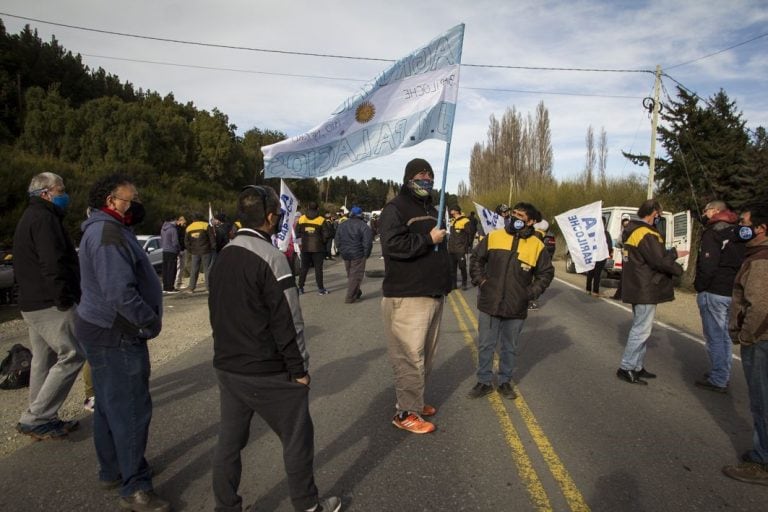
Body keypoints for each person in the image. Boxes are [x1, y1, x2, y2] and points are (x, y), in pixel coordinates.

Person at [209, 185, 341, 512]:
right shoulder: (272, 258)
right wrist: (300, 371)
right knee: (297, 438)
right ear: (270, 218)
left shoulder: (223, 256)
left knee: (229, 443)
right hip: (267, 369)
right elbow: (289, 322)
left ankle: (226, 506)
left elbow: (216, 312)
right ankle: (308, 506)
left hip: (228, 367)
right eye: (278, 216)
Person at [74, 173, 169, 511]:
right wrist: (148, 320)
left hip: (101, 330)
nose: (137, 203)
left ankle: (112, 468)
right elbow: (119, 292)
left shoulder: (107, 229)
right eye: (132, 198)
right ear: (112, 201)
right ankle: (135, 485)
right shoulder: (108, 233)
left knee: (108, 404)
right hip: (116, 333)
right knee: (130, 409)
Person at [379, 158, 451, 434]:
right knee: (409, 357)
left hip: (433, 294)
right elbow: (393, 245)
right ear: (409, 177)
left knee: (426, 356)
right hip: (407, 295)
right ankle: (405, 412)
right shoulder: (395, 208)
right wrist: (427, 240)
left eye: (430, 174)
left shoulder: (434, 209)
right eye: (421, 174)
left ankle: (415, 401)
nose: (426, 178)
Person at [13, 172, 85, 440]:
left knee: (44, 359)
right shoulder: (45, 220)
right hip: (49, 303)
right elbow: (53, 263)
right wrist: (64, 298)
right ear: (45, 193)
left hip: (32, 302)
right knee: (73, 354)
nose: (64, 194)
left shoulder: (30, 217)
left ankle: (40, 413)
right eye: (60, 190)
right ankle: (37, 417)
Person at [467, 202, 554, 399]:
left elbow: (546, 273)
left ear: (531, 221)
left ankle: (505, 382)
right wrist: (481, 281)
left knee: (510, 347)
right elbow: (476, 260)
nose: (515, 218)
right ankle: (484, 382)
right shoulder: (494, 236)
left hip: (516, 305)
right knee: (486, 345)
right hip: (490, 302)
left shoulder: (537, 245)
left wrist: (530, 293)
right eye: (513, 214)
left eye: (521, 216)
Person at [722, 202, 768, 486]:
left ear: (761, 228)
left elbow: (760, 306)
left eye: (745, 223)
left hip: (762, 339)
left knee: (762, 402)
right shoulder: (756, 255)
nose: (741, 227)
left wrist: (747, 336)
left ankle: (763, 461)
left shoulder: (761, 259)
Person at [616, 199, 683, 385]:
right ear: (653, 212)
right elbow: (659, 261)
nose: (659, 217)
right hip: (645, 286)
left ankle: (637, 366)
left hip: (637, 284)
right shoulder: (645, 233)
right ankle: (627, 367)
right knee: (641, 330)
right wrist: (675, 260)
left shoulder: (632, 230)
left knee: (642, 328)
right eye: (658, 214)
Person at [693, 200, 745, 393]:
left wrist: (700, 287)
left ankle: (718, 378)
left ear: (715, 211)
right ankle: (722, 372)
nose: (704, 214)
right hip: (731, 290)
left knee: (715, 335)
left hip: (714, 290)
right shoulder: (737, 232)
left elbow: (708, 265)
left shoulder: (713, 232)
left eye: (706, 211)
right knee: (724, 336)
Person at [334, 206, 373, 304]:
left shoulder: (342, 224)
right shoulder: (363, 226)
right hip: (358, 253)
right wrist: (366, 254)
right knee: (355, 275)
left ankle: (356, 292)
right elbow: (367, 242)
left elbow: (337, 239)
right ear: (361, 214)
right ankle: (350, 297)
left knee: (350, 274)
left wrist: (341, 250)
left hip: (346, 253)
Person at [296, 202, 331, 295]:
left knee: (304, 268)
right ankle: (321, 289)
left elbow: (297, 233)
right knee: (318, 269)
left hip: (305, 247)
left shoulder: (301, 218)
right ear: (318, 208)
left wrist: (302, 242)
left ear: (307, 207)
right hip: (318, 248)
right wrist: (322, 242)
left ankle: (300, 288)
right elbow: (327, 234)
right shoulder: (321, 219)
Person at [185, 213, 216, 293]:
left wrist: (191, 250)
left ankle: (191, 288)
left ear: (193, 219)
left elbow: (186, 242)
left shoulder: (189, 228)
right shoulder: (205, 225)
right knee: (207, 269)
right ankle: (208, 288)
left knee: (194, 269)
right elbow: (211, 237)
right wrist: (213, 247)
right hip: (206, 250)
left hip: (194, 252)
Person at [585, 216, 613, 297]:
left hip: (601, 257)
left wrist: (607, 253)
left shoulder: (606, 234)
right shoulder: (594, 232)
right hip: (593, 256)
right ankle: (590, 289)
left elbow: (609, 246)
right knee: (591, 273)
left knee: (596, 274)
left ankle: (593, 290)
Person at [447, 205, 471, 290]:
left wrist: (467, 248)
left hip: (460, 249)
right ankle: (454, 285)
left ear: (456, 211)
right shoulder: (452, 221)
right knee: (452, 268)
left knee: (462, 267)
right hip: (451, 249)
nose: (450, 211)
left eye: (452, 210)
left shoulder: (465, 221)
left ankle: (464, 283)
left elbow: (469, 235)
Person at [160, 215, 181, 294]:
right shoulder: (173, 229)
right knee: (172, 269)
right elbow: (175, 242)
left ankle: (165, 287)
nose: (177, 223)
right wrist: (178, 250)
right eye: (176, 221)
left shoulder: (163, 229)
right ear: (173, 220)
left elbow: (161, 239)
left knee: (165, 269)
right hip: (172, 251)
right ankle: (170, 287)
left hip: (164, 250)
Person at [611, 215, 631, 300]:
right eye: (624, 221)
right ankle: (622, 295)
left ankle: (619, 295)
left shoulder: (624, 231)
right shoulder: (633, 230)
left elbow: (618, 242)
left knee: (625, 274)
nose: (625, 223)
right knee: (627, 274)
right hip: (630, 254)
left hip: (626, 254)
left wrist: (620, 245)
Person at [174, 216, 187, 290]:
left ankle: (180, 282)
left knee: (182, 267)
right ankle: (176, 283)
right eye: (184, 222)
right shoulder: (177, 229)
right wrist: (179, 250)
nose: (184, 223)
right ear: (179, 221)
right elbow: (177, 241)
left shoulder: (182, 229)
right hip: (179, 250)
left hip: (183, 249)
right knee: (178, 267)